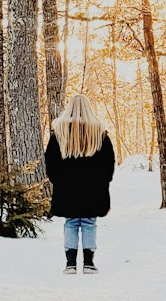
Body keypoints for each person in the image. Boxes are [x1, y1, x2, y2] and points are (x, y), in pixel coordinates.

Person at [43, 95, 115, 275]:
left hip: (67, 187)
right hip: (93, 187)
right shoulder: (99, 132)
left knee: (71, 223)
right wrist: (104, 180)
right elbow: (109, 162)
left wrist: (57, 179)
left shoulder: (59, 132)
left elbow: (50, 161)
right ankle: (89, 263)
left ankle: (70, 264)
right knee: (90, 222)